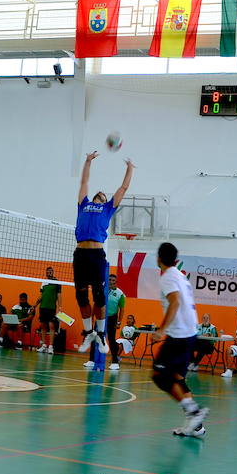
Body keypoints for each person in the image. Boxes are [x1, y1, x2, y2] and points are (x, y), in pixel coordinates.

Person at [73, 151, 134, 354]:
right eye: (98, 194)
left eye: (104, 195)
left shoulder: (108, 208)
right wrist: (88, 161)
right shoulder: (84, 204)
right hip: (80, 254)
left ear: (106, 200)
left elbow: (123, 188)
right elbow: (84, 181)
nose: (101, 194)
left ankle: (100, 334)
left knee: (99, 297)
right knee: (81, 296)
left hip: (96, 255)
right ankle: (88, 332)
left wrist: (130, 168)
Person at [149, 242, 207, 438]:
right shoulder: (180, 276)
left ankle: (194, 412)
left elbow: (175, 302)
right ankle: (196, 427)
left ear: (159, 259)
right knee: (178, 379)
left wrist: (161, 330)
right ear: (175, 259)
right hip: (190, 333)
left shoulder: (167, 277)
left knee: (159, 376)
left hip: (179, 335)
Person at [105, 271, 126, 371]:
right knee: (96, 337)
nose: (111, 281)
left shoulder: (120, 293)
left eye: (113, 280)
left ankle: (115, 361)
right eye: (109, 279)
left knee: (111, 339)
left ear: (116, 282)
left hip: (112, 318)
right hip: (101, 317)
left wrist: (119, 322)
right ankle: (92, 360)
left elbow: (122, 309)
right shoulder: (103, 289)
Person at [36, 268, 61, 353]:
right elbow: (41, 295)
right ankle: (44, 345)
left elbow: (59, 295)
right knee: (43, 326)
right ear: (46, 273)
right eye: (47, 272)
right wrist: (35, 305)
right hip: (42, 307)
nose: (49, 273)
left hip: (51, 308)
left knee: (51, 326)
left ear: (53, 272)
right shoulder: (43, 282)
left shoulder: (57, 282)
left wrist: (60, 307)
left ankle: (51, 347)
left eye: (50, 271)